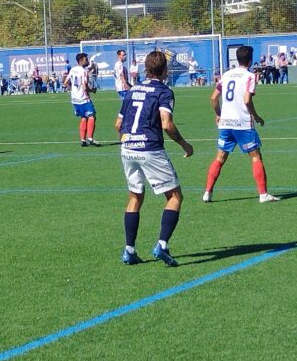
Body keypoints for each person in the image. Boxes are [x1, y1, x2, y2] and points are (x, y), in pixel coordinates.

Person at [115, 50, 194, 267]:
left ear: (145, 69)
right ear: (165, 70)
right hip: (150, 148)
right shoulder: (164, 91)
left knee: (135, 196)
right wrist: (185, 145)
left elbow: (118, 125)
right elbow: (166, 123)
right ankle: (162, 244)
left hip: (127, 148)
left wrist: (129, 142)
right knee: (175, 196)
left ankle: (129, 250)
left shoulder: (132, 91)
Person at [202, 45, 279, 204]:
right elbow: (246, 100)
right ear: (250, 60)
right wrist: (256, 116)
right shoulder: (249, 76)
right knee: (256, 157)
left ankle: (207, 193)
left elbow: (213, 98)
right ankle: (263, 194)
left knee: (220, 157)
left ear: (237, 59)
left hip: (226, 123)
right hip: (242, 124)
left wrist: (219, 114)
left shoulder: (227, 74)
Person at [63, 52, 100, 147]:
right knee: (92, 116)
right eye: (86, 59)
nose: (87, 61)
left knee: (84, 117)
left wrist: (73, 90)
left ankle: (83, 140)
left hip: (75, 98)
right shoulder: (83, 71)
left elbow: (65, 82)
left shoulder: (73, 69)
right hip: (84, 98)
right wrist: (92, 90)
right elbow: (84, 86)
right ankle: (90, 138)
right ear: (81, 61)